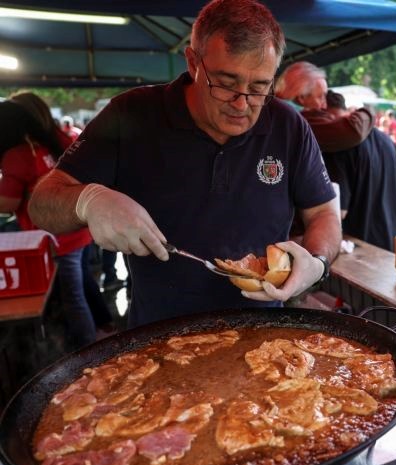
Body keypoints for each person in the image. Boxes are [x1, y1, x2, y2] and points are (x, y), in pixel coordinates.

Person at [28, 0, 341, 328]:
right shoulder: (132, 115)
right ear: (193, 63)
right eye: (225, 84)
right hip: (157, 336)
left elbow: (322, 213)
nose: (241, 103)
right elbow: (42, 203)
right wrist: (87, 201)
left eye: (259, 87)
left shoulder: (287, 125)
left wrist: (317, 262)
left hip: (263, 334)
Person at [0, 101, 97, 348]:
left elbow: (8, 203)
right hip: (80, 231)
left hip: (55, 241)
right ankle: (102, 330)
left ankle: (88, 352)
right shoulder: (58, 141)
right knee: (83, 287)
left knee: (72, 298)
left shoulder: (17, 155)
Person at [319, 91, 396, 251]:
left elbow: (339, 211)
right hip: (394, 241)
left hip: (360, 247)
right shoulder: (385, 140)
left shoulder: (338, 147)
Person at [274, 61, 374, 152]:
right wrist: (365, 113)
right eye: (320, 97)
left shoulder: (276, 110)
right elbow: (354, 132)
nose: (325, 105)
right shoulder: (299, 120)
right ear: (302, 98)